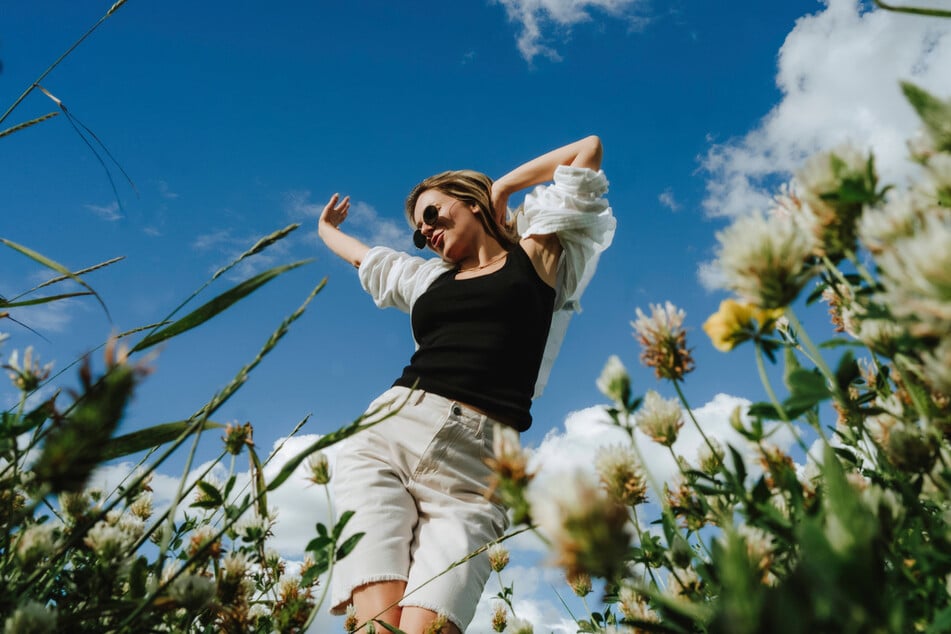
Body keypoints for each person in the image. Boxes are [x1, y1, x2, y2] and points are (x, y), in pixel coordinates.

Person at [317, 136, 615, 633]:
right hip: (389, 435)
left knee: (428, 628)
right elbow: (367, 259)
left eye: (431, 215)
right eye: (418, 232)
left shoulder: (538, 254)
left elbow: (588, 152)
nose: (426, 233)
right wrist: (325, 229)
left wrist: (503, 187)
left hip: (477, 471)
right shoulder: (426, 281)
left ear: (470, 203)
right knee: (377, 625)